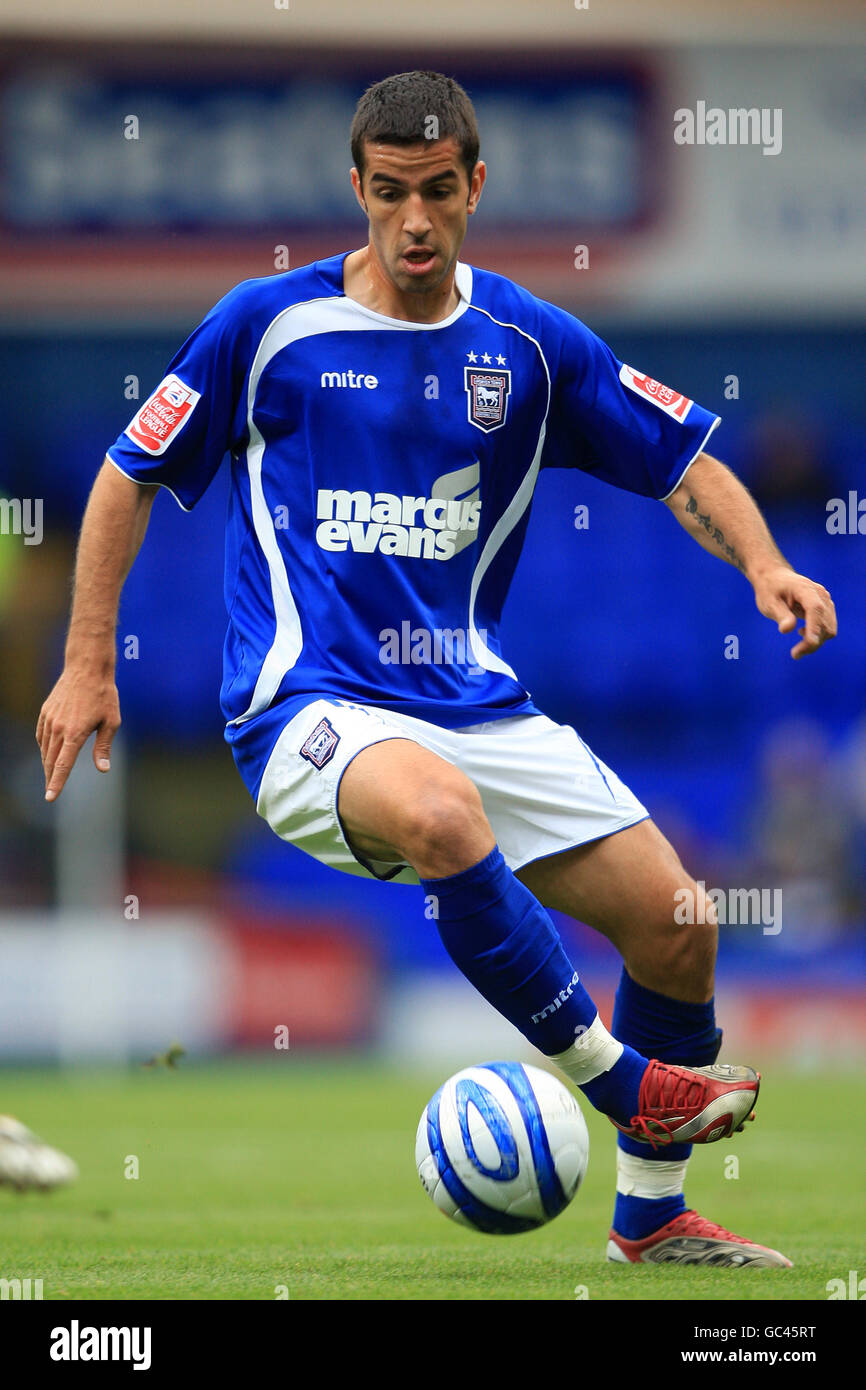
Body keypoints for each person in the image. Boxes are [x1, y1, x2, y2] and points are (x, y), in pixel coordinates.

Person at [37, 71, 836, 1267]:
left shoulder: (524, 343)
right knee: (435, 811)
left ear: (475, 187)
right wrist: (87, 661)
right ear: (357, 189)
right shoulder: (267, 327)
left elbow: (682, 460)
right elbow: (124, 473)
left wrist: (764, 561)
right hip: (303, 713)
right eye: (391, 193)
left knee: (676, 921)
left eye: (439, 191)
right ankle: (622, 1083)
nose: (415, 219)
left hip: (471, 702)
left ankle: (653, 1219)